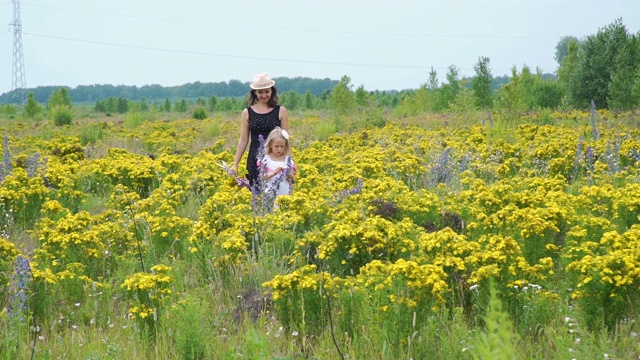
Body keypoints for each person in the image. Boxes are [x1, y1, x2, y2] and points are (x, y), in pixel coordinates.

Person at [230, 73, 294, 190]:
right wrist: (235, 164)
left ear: (272, 91)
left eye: (266, 92)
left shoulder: (281, 111)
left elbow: (286, 140)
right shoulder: (247, 112)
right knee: (257, 197)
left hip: (277, 160)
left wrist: (290, 162)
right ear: (255, 93)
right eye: (260, 92)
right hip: (255, 161)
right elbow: (243, 140)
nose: (264, 95)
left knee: (278, 193)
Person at [260, 127, 295, 196]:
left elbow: (293, 178)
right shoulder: (266, 159)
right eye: (276, 146)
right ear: (270, 145)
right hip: (270, 195)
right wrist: (273, 173)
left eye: (282, 146)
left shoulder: (287, 160)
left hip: (285, 192)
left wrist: (287, 172)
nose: (279, 149)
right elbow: (262, 177)